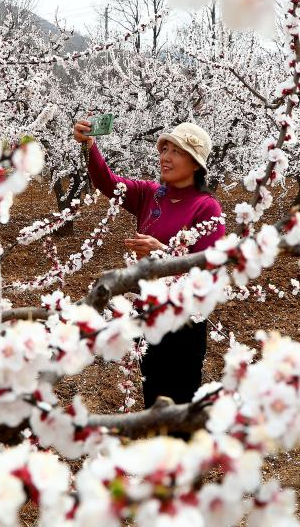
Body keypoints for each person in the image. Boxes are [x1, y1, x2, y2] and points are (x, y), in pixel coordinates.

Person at [72, 118, 226, 407]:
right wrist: (90, 145)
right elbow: (108, 183)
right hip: (147, 312)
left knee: (179, 403)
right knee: (153, 398)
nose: (165, 157)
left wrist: (161, 254)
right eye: (164, 149)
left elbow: (208, 272)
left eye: (176, 151)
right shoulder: (150, 194)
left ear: (196, 163)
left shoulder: (207, 208)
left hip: (183, 322)